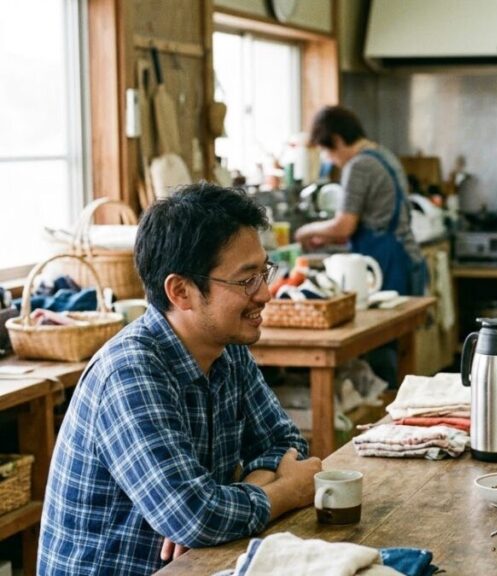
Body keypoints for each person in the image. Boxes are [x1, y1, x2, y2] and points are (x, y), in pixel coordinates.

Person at [39, 184, 322, 576]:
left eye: (264, 272)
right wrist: (285, 492)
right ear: (181, 291)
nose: (266, 294)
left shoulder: (227, 348)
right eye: (246, 281)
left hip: (200, 564)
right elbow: (195, 518)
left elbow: (285, 442)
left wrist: (244, 494)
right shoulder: (130, 373)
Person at [294, 105, 425, 297]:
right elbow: (375, 216)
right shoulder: (382, 154)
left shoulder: (358, 166)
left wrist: (306, 231)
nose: (327, 159)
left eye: (325, 150)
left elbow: (344, 225)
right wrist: (326, 236)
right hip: (406, 256)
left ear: (337, 140)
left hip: (386, 262)